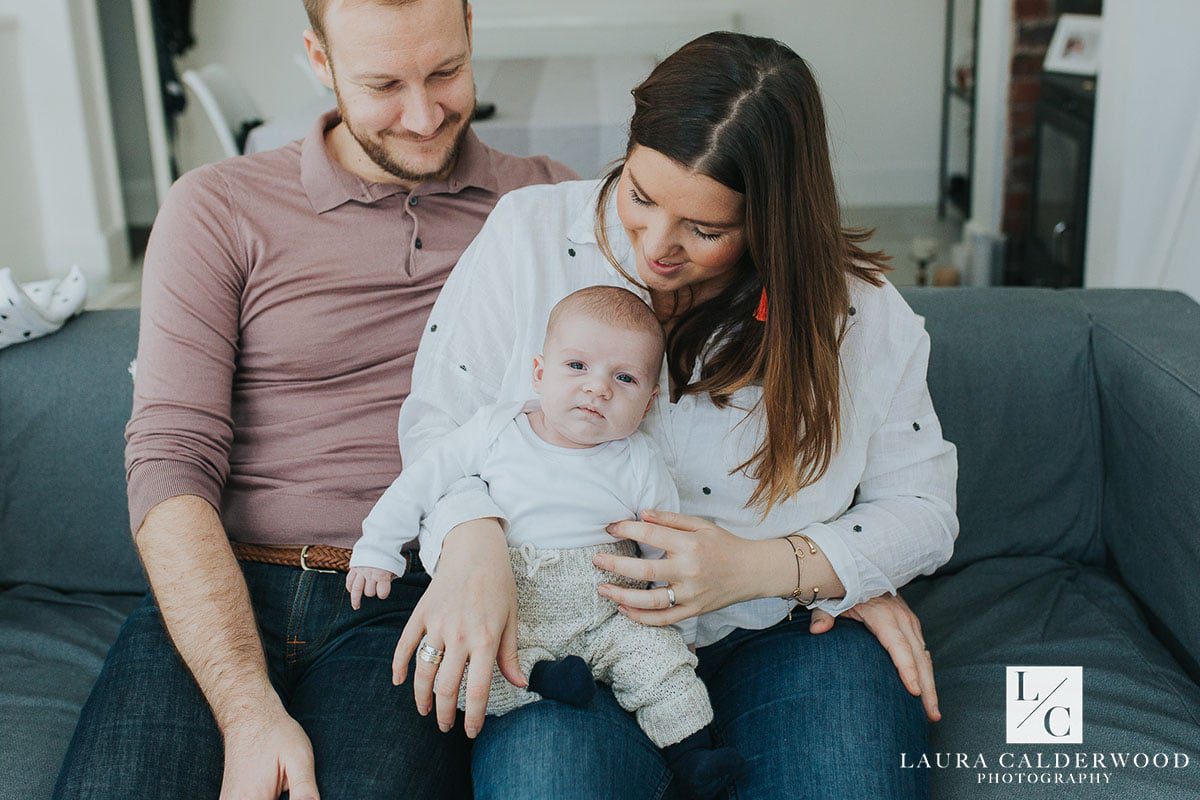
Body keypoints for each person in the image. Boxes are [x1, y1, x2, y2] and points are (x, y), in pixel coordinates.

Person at [393, 31, 958, 799]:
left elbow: (923, 506)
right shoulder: (529, 234)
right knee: (547, 784)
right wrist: (472, 538)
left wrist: (794, 567)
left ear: (772, 221)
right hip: (568, 636)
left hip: (782, 634)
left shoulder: (858, 316)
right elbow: (438, 421)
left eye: (706, 230)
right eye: (639, 193)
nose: (655, 246)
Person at [51, 0, 575, 797]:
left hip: (407, 595)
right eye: (383, 84)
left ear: (471, 28)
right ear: (319, 60)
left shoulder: (547, 207)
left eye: (444, 71)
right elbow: (169, 460)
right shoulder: (217, 206)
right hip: (224, 586)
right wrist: (246, 706)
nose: (424, 114)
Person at [349, 286, 743, 799]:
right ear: (539, 373)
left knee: (661, 667)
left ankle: (694, 752)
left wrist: (680, 626)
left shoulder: (638, 461)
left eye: (623, 378)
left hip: (609, 608)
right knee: (469, 670)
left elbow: (666, 552)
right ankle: (540, 677)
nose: (597, 388)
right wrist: (378, 547)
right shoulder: (498, 429)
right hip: (514, 604)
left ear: (647, 403)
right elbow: (424, 480)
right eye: (577, 366)